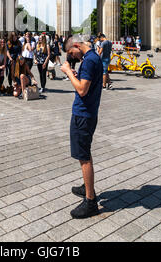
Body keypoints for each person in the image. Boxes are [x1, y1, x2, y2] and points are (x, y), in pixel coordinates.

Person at [61, 34, 103, 219]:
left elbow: (81, 89)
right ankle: (87, 187)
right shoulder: (93, 57)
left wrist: (69, 72)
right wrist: (78, 76)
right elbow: (88, 83)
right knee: (84, 152)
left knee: (83, 156)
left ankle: (90, 201)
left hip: (83, 114)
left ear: (77, 46)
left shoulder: (88, 61)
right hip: (89, 113)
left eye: (71, 52)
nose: (72, 56)